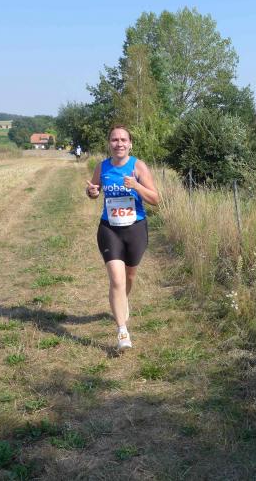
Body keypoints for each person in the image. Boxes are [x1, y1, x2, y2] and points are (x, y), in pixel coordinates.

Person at [85, 125, 160, 352]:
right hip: (109, 229)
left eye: (123, 140)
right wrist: (92, 192)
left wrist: (136, 185)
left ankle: (122, 302)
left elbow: (155, 199)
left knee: (129, 277)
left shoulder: (138, 166)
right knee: (117, 280)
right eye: (115, 139)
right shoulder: (102, 166)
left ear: (130, 144)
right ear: (109, 143)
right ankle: (122, 331)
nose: (119, 143)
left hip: (135, 228)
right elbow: (94, 190)